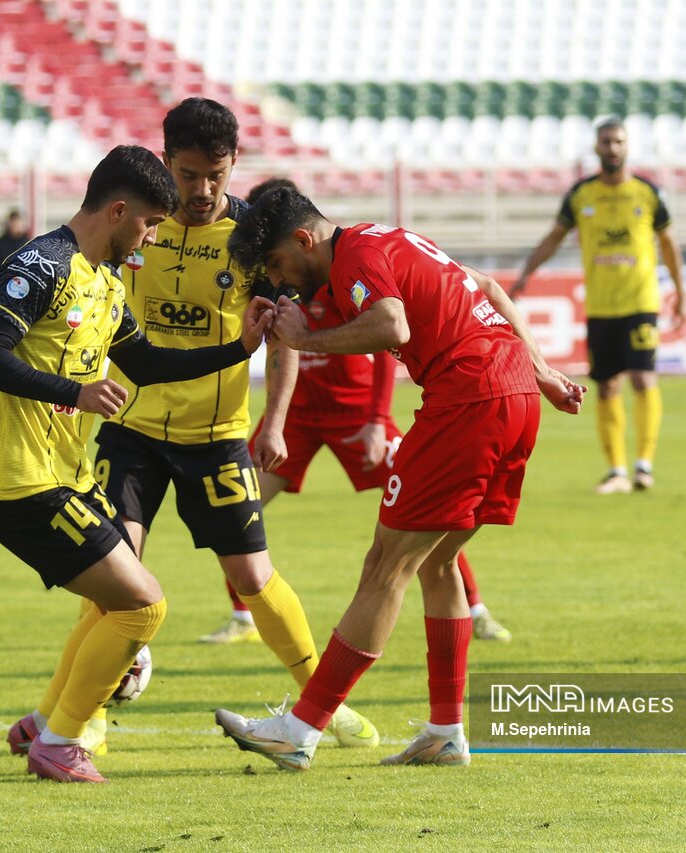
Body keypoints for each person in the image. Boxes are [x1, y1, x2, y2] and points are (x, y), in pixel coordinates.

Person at [213, 187, 585, 772]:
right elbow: (486, 288)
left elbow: (392, 326)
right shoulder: (386, 239)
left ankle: (300, 729)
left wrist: (306, 338)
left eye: (281, 266)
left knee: (387, 565)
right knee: (436, 564)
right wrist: (541, 373)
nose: (282, 282)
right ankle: (445, 732)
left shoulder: (356, 255)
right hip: (511, 394)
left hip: (468, 396)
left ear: (303, 240)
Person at [0, 145, 274, 783]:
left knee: (121, 605)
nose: (153, 237)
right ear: (119, 209)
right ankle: (59, 741)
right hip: (20, 484)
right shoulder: (40, 265)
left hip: (64, 478)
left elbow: (153, 364)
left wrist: (238, 349)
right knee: (143, 605)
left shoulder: (105, 282)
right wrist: (73, 393)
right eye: (150, 224)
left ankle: (45, 722)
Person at [90, 99, 380, 752]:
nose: (202, 190)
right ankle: (90, 712)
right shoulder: (138, 222)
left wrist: (273, 422)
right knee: (113, 567)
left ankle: (320, 703)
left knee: (252, 576)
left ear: (234, 165)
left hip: (215, 434)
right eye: (188, 174)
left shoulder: (255, 237)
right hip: (131, 424)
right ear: (165, 162)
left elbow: (282, 338)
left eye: (215, 175)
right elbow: (95, 305)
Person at [202, 177, 513, 646]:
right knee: (235, 510)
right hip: (301, 417)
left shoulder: (340, 268)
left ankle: (476, 608)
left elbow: (388, 344)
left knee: (429, 513)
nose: (275, 270)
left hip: (356, 414)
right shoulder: (276, 281)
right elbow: (279, 348)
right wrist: (276, 424)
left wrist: (375, 420)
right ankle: (243, 616)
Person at [510, 118, 685, 494]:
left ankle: (644, 465)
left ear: (627, 146)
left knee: (642, 378)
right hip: (601, 308)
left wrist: (681, 291)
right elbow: (554, 237)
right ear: (596, 147)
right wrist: (527, 272)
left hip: (640, 302)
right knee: (605, 387)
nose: (613, 148)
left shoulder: (647, 193)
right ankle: (617, 471)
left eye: (618, 141)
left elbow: (669, 244)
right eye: (606, 142)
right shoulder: (581, 195)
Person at [0, 209, 30, 279]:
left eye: (17, 223)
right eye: (13, 223)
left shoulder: (28, 244)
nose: (15, 226)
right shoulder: (0, 244)